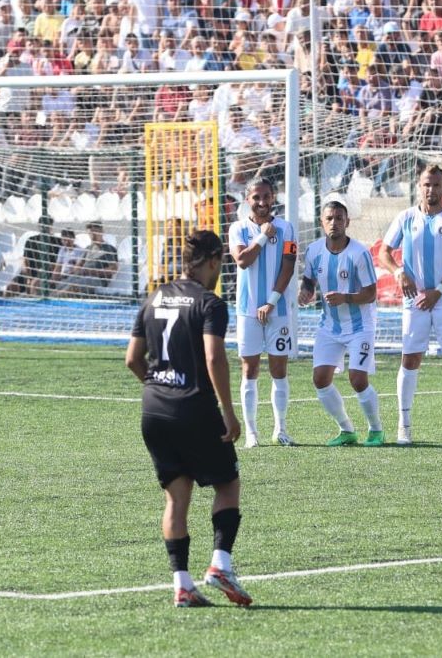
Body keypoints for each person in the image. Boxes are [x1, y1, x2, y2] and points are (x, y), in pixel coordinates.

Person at [125, 230, 251, 608]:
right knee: (227, 484)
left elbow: (132, 358)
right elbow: (214, 358)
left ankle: (182, 584)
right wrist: (229, 412)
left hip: (154, 410)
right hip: (193, 407)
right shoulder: (210, 303)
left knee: (176, 499)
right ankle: (220, 564)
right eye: (220, 264)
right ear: (212, 261)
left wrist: (158, 385)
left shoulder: (155, 296)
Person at [378, 165, 442, 446]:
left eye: (435, 185)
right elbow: (384, 252)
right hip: (414, 302)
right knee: (410, 359)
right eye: (426, 184)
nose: (430, 190)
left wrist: (439, 290)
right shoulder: (406, 217)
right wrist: (398, 272)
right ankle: (404, 425)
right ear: (418, 187)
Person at [299, 201, 383, 446]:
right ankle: (346, 430)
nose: (334, 223)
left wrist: (345, 297)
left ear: (347, 222)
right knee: (320, 379)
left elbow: (371, 294)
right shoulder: (314, 251)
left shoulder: (359, 253)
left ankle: (376, 430)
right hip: (329, 327)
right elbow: (308, 280)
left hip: (360, 327)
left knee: (358, 379)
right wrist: (305, 292)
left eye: (339, 218)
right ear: (321, 222)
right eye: (329, 218)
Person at [228, 178, 298, 448]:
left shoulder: (287, 228)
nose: (261, 202)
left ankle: (281, 429)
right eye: (256, 197)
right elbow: (243, 261)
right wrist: (262, 236)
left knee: (279, 369)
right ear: (248, 199)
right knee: (250, 368)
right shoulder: (237, 229)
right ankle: (252, 433)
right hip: (247, 311)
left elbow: (288, 267)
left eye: (266, 196)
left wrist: (271, 301)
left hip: (277, 310)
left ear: (273, 197)